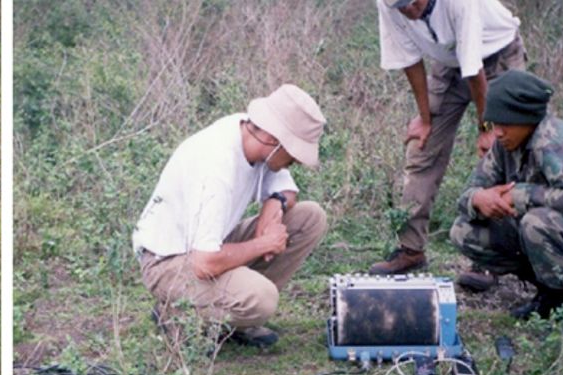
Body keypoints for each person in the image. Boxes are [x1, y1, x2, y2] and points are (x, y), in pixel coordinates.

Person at [132, 85, 329, 347]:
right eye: (294, 151)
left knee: (309, 217)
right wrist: (263, 243)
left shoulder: (249, 132)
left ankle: (235, 316)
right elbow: (204, 263)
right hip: (168, 262)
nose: (296, 160)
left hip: (207, 244)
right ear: (273, 139)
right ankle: (177, 311)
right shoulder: (216, 168)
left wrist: (274, 206)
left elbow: (287, 190)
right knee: (262, 299)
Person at [449, 70, 563, 331]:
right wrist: (480, 199)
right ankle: (549, 295)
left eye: (506, 123)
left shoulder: (554, 143)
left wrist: (519, 195)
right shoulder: (505, 144)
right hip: (554, 236)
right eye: (494, 123)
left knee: (535, 223)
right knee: (464, 230)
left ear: (528, 118)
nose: (499, 132)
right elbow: (468, 192)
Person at [369, 0, 527, 275]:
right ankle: (411, 250)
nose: (407, 11)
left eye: (411, 2)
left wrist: (486, 128)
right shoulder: (388, 3)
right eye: (400, 6)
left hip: (497, 53)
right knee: (422, 148)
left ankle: (490, 259)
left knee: (502, 152)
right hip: (449, 60)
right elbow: (409, 60)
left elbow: (474, 69)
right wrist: (424, 118)